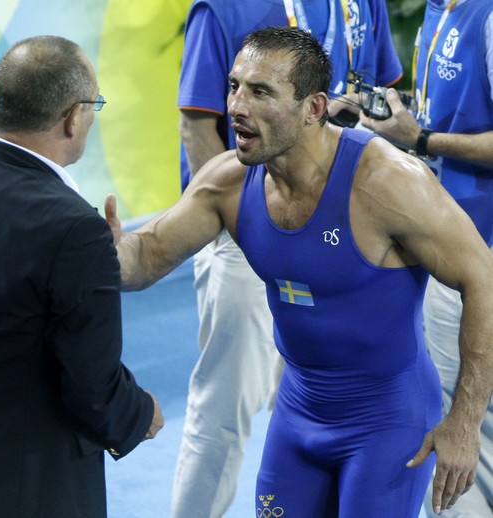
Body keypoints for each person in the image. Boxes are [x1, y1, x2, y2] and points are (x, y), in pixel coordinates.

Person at [105, 27, 493, 517]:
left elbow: (484, 278)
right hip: (299, 415)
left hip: (387, 424)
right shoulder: (228, 182)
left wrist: (465, 419)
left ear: (313, 108)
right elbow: (145, 258)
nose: (237, 107)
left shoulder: (388, 183)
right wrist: (104, 250)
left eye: (260, 92)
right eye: (234, 87)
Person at [0, 35, 164, 518]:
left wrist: (90, 267)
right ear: (73, 117)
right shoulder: (72, 228)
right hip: (20, 491)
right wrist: (141, 413)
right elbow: (92, 387)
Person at [175, 1, 403, 515]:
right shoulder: (225, 9)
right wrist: (244, 218)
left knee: (311, 397)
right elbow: (197, 126)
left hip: (336, 234)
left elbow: (382, 89)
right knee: (223, 408)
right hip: (248, 229)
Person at [331, 0, 493, 515]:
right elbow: (447, 110)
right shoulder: (438, 9)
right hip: (450, 239)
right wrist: (383, 110)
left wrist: (421, 139)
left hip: (477, 250)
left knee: (454, 422)